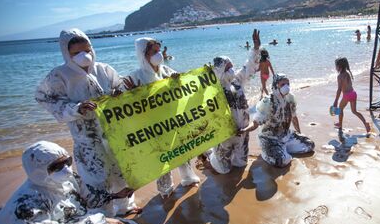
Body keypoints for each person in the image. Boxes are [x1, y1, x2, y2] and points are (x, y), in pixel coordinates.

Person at [35, 29, 138, 217]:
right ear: (67, 54)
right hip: (86, 138)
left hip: (113, 133)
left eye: (87, 50)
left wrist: (124, 91)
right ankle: (102, 219)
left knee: (121, 172)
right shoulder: (60, 75)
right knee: (96, 179)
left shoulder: (104, 70)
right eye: (76, 53)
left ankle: (125, 207)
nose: (84, 56)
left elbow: (118, 87)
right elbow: (43, 97)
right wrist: (76, 109)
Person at [0, 141, 140, 224]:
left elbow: (89, 196)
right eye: (56, 167)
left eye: (67, 162)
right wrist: (101, 223)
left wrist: (114, 196)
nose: (67, 170)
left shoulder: (66, 179)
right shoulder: (26, 205)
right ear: (37, 170)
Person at [123, 38, 201, 199]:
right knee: (161, 157)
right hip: (153, 126)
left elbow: (182, 88)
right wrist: (131, 94)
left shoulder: (166, 70)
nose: (158, 54)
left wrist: (179, 80)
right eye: (153, 52)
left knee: (181, 149)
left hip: (173, 120)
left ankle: (188, 177)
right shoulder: (135, 77)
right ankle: (165, 189)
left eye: (159, 51)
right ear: (143, 55)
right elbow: (123, 104)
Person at [207, 29, 261, 174]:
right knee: (224, 169)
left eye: (232, 66)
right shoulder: (213, 91)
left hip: (242, 131)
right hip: (225, 134)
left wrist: (255, 49)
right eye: (227, 67)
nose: (231, 70)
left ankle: (232, 154)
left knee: (241, 164)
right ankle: (211, 154)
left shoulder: (237, 81)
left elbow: (249, 67)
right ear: (219, 70)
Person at [242, 74, 315, 167]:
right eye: (283, 84)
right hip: (269, 138)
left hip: (286, 135)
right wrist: (245, 130)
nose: (286, 86)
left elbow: (294, 117)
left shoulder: (290, 98)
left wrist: (299, 134)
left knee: (310, 145)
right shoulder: (267, 102)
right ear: (276, 85)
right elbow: (255, 123)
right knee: (281, 161)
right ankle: (270, 151)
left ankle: (283, 149)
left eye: (288, 83)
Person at [332, 58, 371, 133]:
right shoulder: (347, 73)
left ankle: (340, 124)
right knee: (354, 111)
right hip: (353, 94)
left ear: (339, 67)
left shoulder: (340, 76)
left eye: (336, 66)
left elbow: (339, 89)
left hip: (347, 95)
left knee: (340, 109)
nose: (335, 68)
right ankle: (365, 123)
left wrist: (336, 100)